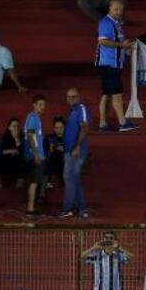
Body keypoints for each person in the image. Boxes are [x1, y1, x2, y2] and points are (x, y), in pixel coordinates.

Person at [96, 0, 138, 132]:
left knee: (106, 94)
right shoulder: (106, 22)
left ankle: (103, 124)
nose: (119, 12)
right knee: (116, 94)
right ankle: (122, 123)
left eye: (120, 9)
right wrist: (122, 45)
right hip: (108, 64)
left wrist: (125, 50)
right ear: (109, 8)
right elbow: (103, 41)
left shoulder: (118, 24)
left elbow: (117, 43)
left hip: (114, 63)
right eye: (116, 9)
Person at [59, 88, 90, 218]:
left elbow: (84, 127)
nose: (71, 99)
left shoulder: (81, 109)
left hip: (75, 152)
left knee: (68, 177)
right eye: (68, 97)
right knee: (74, 179)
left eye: (74, 97)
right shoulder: (72, 112)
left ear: (79, 97)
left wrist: (77, 146)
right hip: (69, 151)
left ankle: (68, 208)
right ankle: (82, 209)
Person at [23, 96, 47, 217]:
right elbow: (30, 136)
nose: (43, 107)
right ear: (34, 105)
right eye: (40, 104)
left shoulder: (36, 118)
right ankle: (30, 209)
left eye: (44, 105)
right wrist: (36, 154)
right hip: (34, 155)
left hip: (36, 155)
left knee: (35, 181)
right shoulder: (32, 118)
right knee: (33, 182)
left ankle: (31, 208)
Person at [0, 118, 26, 190]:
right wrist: (11, 151)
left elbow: (24, 151)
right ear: (9, 127)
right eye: (14, 126)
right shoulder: (4, 137)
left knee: (22, 158)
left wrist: (16, 139)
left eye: (18, 126)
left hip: (17, 162)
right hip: (5, 161)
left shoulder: (23, 137)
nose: (16, 128)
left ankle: (20, 182)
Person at [43, 118, 66, 190]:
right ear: (53, 128)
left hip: (65, 162)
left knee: (61, 155)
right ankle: (47, 182)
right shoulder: (48, 138)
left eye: (61, 127)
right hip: (52, 160)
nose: (59, 130)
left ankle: (64, 180)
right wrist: (51, 150)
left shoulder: (69, 138)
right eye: (56, 127)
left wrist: (65, 150)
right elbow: (44, 154)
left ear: (65, 127)